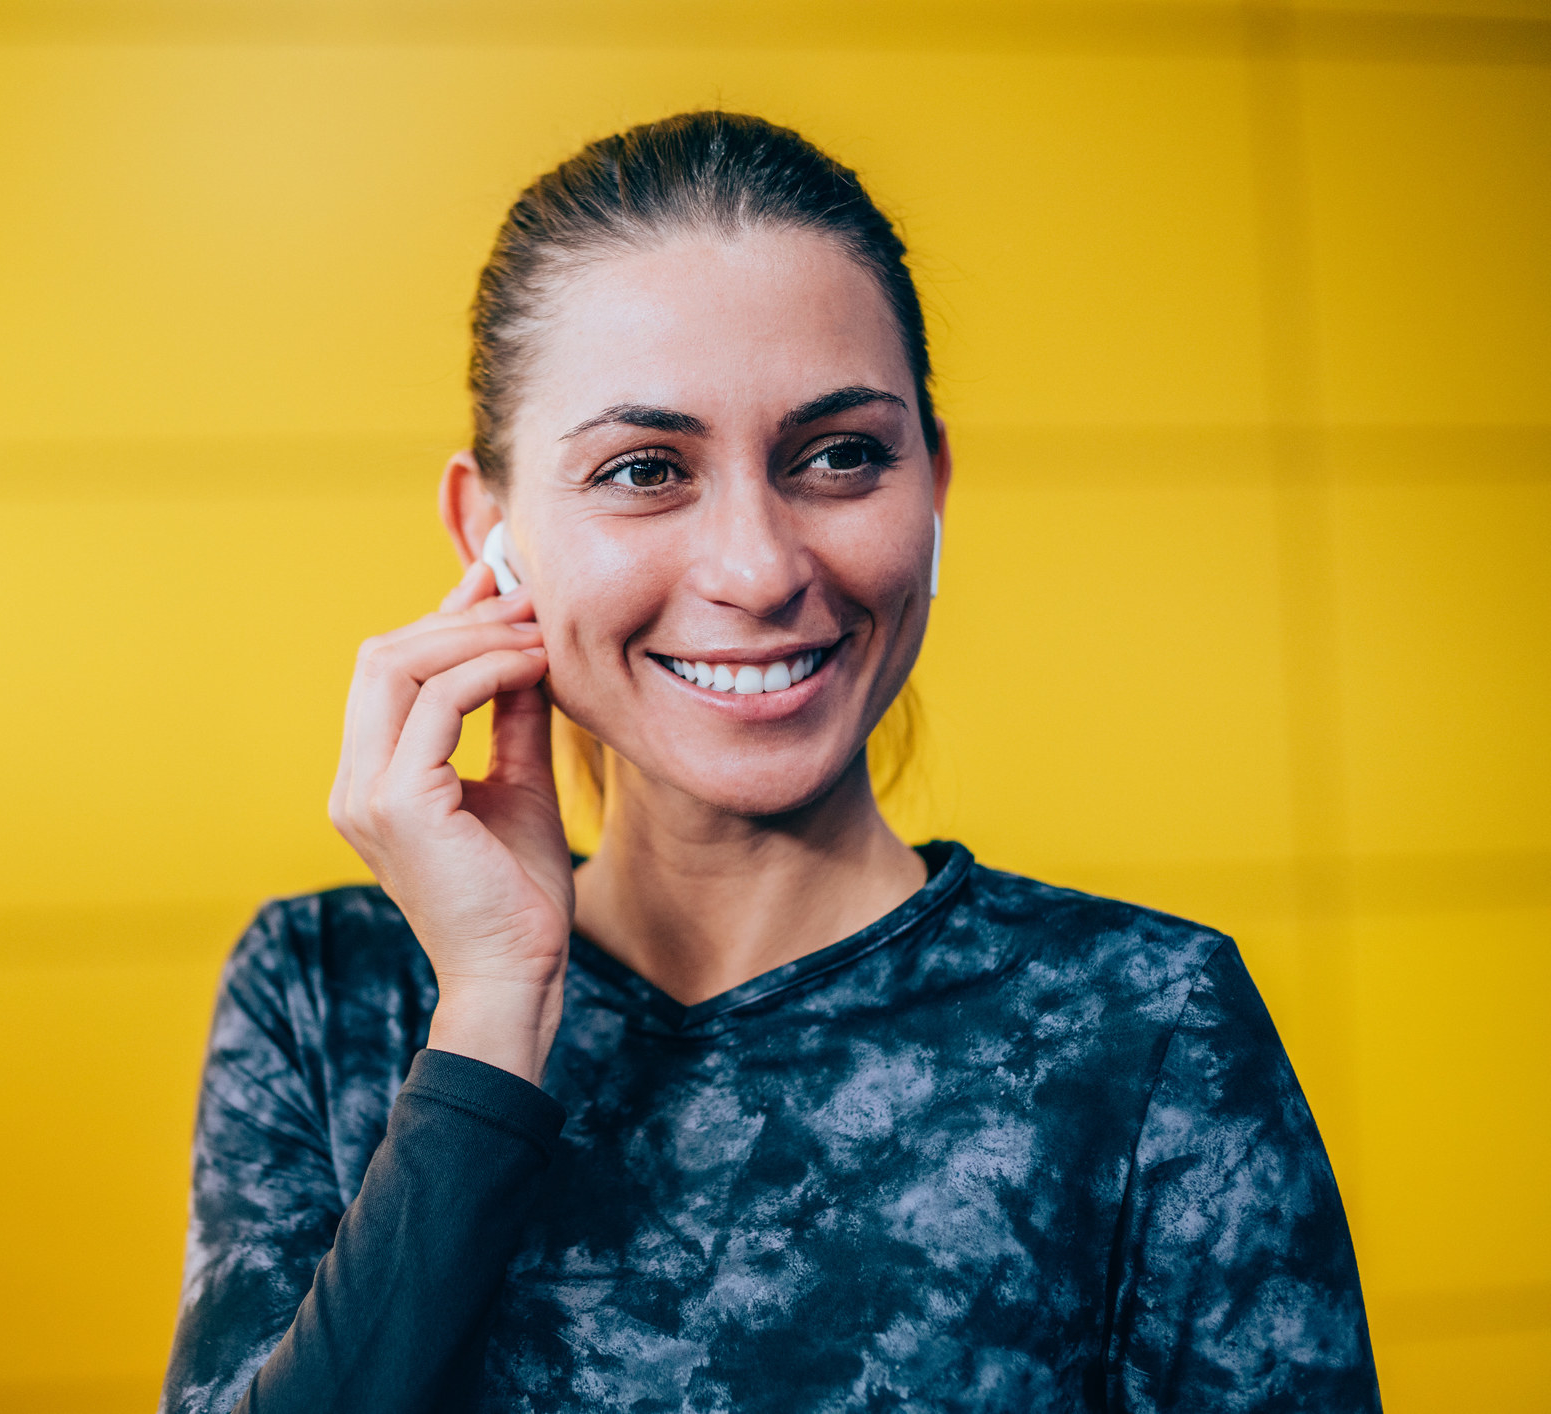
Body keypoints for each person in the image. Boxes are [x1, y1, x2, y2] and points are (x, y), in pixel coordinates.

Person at [160, 111, 1378, 1413]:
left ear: (932, 484)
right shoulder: (328, 998)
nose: (759, 567)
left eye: (842, 455)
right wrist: (495, 1003)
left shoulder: (1147, 1022)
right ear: (491, 533)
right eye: (645, 469)